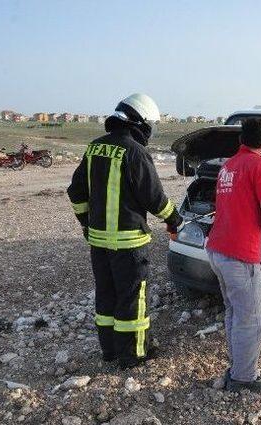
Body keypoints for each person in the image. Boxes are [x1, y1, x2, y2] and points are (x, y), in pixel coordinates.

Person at [67, 93, 183, 369]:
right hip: (129, 243)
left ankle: (110, 351)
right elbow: (154, 198)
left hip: (98, 242)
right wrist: (174, 219)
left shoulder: (95, 148)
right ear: (140, 123)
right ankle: (133, 354)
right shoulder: (135, 151)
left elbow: (76, 192)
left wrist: (86, 224)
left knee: (106, 295)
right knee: (132, 298)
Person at [206, 118, 261, 392]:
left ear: (241, 140)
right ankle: (244, 378)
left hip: (218, 249)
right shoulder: (260, 165)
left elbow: (239, 205)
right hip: (240, 255)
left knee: (234, 313)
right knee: (252, 320)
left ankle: (237, 367)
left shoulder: (228, 166)